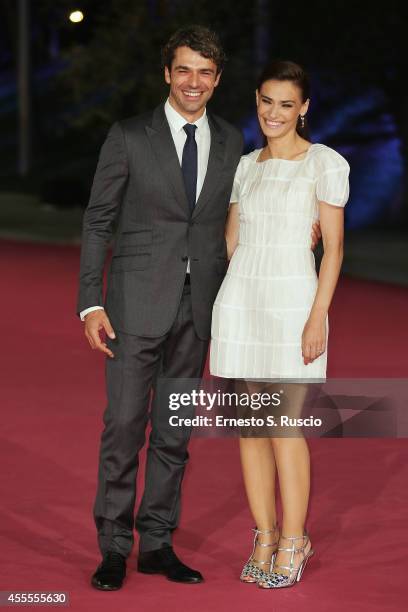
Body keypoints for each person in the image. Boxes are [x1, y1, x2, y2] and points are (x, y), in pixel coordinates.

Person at [77, 25, 244, 590]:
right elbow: (99, 221)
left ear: (217, 80)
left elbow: (230, 222)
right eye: (183, 70)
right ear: (166, 74)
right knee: (124, 428)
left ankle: (157, 544)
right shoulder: (128, 136)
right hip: (132, 306)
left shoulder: (230, 140)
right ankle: (113, 548)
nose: (192, 82)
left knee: (174, 434)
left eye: (204, 72)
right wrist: (89, 303)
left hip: (198, 310)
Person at [210, 60, 350, 589]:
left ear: (304, 108)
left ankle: (295, 539)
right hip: (242, 299)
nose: (274, 113)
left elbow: (334, 250)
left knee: (285, 429)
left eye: (286, 104)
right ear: (256, 100)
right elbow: (230, 241)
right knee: (251, 430)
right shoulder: (245, 167)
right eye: (267, 101)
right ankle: (264, 536)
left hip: (294, 302)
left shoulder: (325, 163)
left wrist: (318, 316)